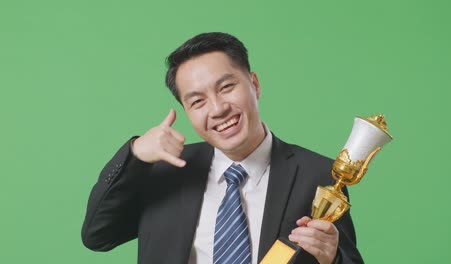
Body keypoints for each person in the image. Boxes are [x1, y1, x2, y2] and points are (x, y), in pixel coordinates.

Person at [81, 32, 364, 264]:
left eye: (226, 87)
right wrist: (136, 154)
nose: (217, 109)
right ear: (187, 111)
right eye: (197, 101)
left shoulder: (316, 174)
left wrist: (333, 259)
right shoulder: (163, 172)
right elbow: (98, 235)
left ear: (254, 84)